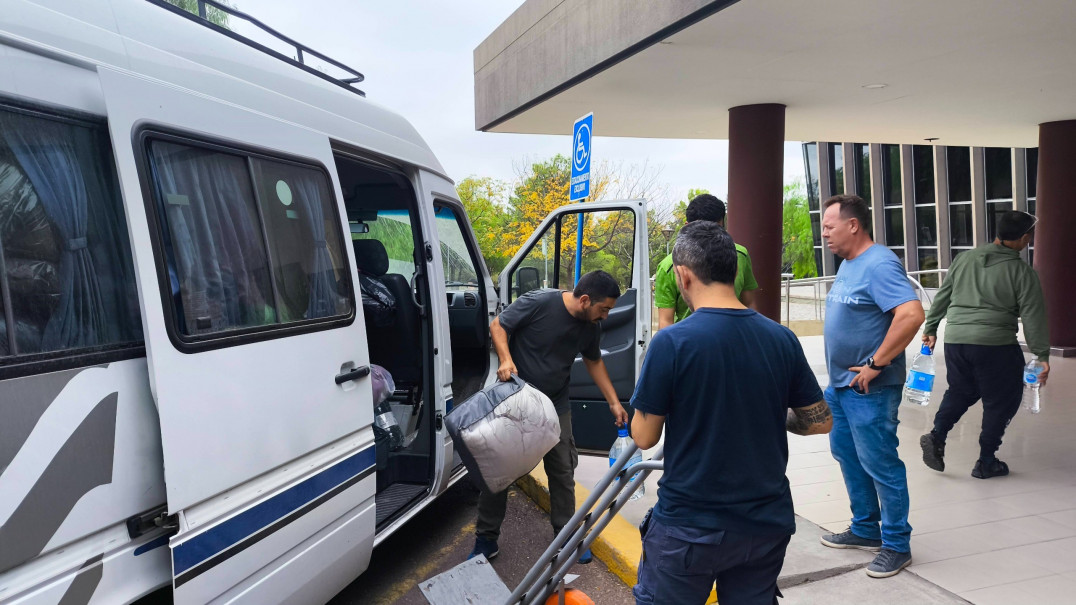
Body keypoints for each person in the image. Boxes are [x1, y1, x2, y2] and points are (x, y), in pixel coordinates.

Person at [630, 221, 832, 605]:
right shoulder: (781, 338)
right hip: (764, 525)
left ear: (683, 275)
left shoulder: (672, 342)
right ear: (734, 271)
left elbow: (644, 436)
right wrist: (775, 415)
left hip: (690, 527)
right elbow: (820, 421)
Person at [468, 270, 629, 563]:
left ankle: (565, 536)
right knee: (500, 471)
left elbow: (594, 362)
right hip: (517, 401)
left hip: (556, 404)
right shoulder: (539, 302)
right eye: (603, 309)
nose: (606, 316)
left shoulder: (591, 326)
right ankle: (486, 539)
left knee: (562, 470)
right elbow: (498, 325)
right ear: (584, 300)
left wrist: (614, 402)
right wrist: (506, 359)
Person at [818, 194, 924, 578]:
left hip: (870, 389)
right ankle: (866, 529)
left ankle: (897, 543)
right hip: (843, 387)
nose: (824, 233)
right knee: (847, 454)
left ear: (853, 225)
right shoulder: (850, 263)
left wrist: (876, 364)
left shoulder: (879, 263)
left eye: (829, 226)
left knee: (880, 462)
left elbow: (911, 315)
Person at [920, 210, 1049, 479]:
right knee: (1001, 399)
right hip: (994, 344)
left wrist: (931, 327)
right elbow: (1033, 315)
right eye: (1030, 236)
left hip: (956, 340)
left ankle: (937, 434)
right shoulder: (1021, 272)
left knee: (961, 389)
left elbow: (943, 295)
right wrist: (1041, 354)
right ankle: (986, 460)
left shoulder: (964, 259)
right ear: (1024, 238)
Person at [654, 194, 758, 329]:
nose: (709, 237)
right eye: (700, 231)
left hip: (733, 336)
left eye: (715, 229)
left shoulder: (740, 255)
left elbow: (749, 304)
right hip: (688, 340)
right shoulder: (669, 265)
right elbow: (665, 321)